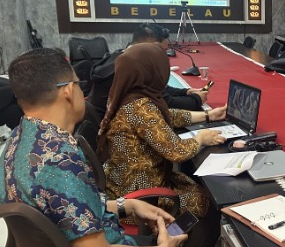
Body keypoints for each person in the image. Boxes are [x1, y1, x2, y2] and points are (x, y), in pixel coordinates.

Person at [0, 48, 248, 247]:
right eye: (79, 85)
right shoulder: (60, 161)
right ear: (68, 92)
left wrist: (125, 204)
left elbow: (56, 209)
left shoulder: (19, 142)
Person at [97, 42, 226, 219]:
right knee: (202, 199)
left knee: (190, 182)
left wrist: (208, 116)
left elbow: (167, 115)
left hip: (121, 182)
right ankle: (173, 233)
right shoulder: (141, 108)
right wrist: (201, 138)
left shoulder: (126, 94)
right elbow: (177, 151)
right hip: (139, 197)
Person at [88, 22, 208, 117]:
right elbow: (164, 104)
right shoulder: (134, 66)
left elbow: (156, 89)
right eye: (163, 51)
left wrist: (185, 92)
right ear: (153, 46)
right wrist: (197, 100)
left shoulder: (121, 56)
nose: (164, 56)